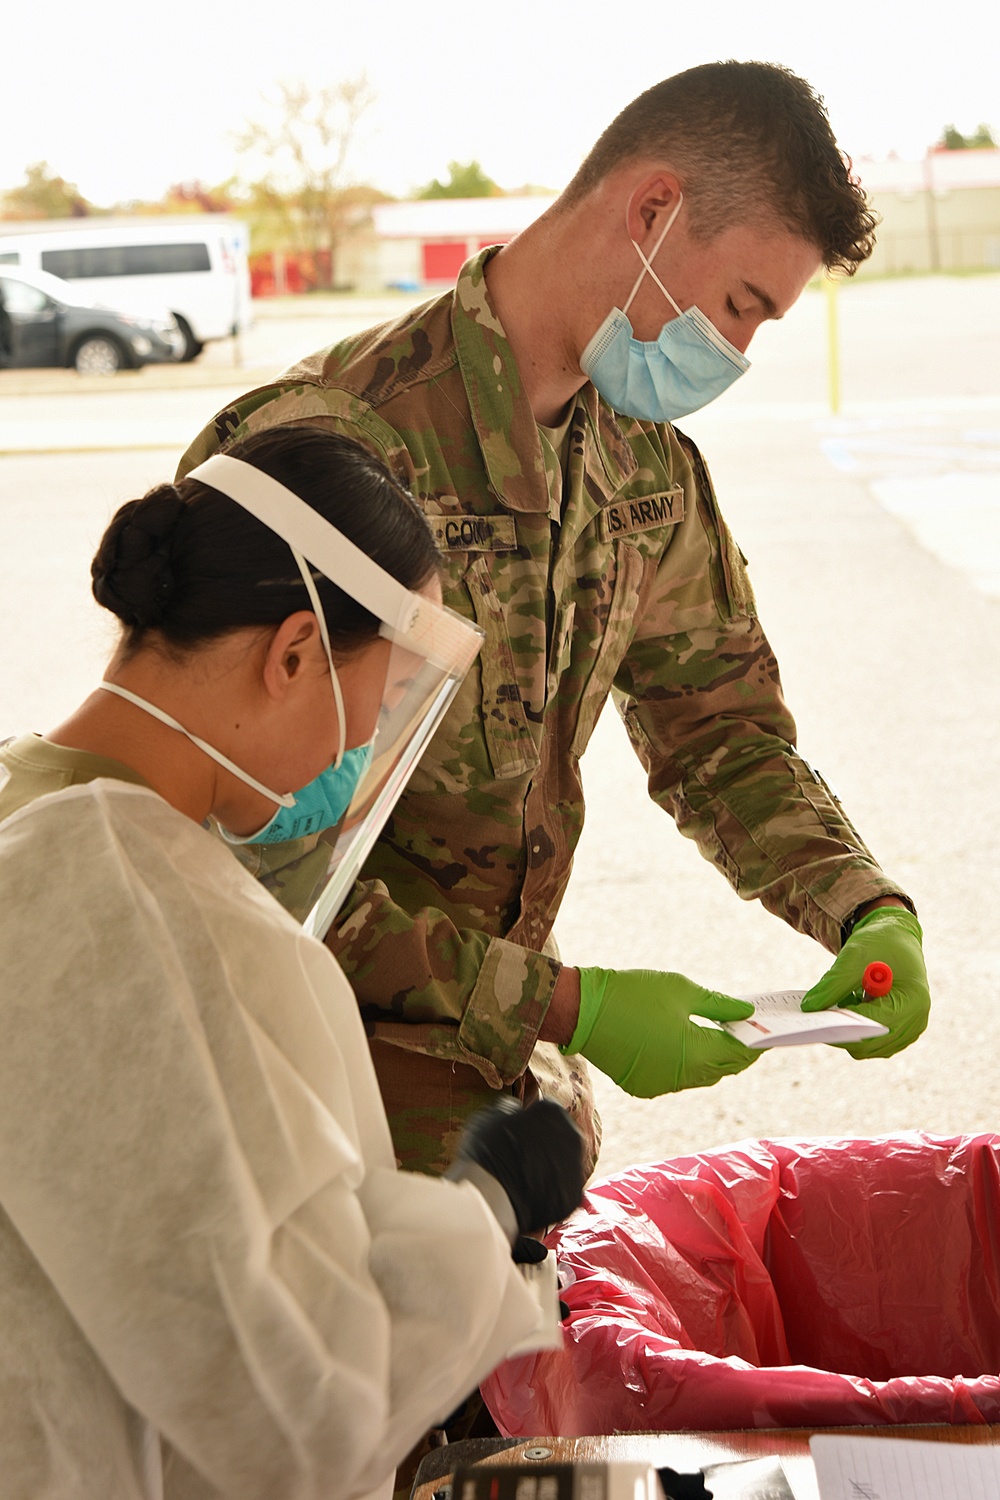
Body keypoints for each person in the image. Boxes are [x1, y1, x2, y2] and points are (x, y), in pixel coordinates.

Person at [177, 60, 929, 1180]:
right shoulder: (327, 453)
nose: (735, 357)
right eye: (738, 308)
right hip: (302, 1107)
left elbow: (720, 739)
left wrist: (862, 909)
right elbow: (237, 850)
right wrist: (564, 1007)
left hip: (504, 1116)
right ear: (652, 209)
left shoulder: (643, 470)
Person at [0, 426, 586, 1500]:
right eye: (385, 689)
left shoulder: (31, 804)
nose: (361, 743)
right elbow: (293, 1408)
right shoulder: (115, 899)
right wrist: (486, 1208)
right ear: (294, 656)